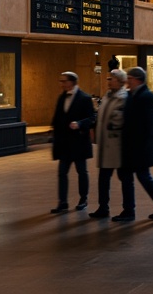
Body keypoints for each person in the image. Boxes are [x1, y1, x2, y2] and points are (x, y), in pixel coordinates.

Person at [118, 67, 153, 221]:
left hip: (140, 146)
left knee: (144, 177)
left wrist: (140, 143)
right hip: (130, 146)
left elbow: (148, 124)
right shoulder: (131, 95)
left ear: (136, 79)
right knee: (127, 177)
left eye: (129, 78)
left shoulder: (147, 97)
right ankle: (128, 210)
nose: (127, 81)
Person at [49, 71, 95, 214]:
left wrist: (80, 123)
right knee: (62, 172)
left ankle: (83, 199)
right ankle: (62, 202)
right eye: (60, 81)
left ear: (72, 82)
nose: (61, 84)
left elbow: (92, 118)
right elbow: (58, 117)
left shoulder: (85, 98)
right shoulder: (61, 98)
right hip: (64, 142)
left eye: (64, 81)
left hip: (78, 141)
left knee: (82, 171)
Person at [89, 69, 127, 219]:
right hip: (106, 145)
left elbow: (119, 121)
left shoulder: (123, 98)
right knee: (103, 179)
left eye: (111, 79)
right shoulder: (108, 96)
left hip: (117, 146)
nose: (108, 81)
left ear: (119, 81)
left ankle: (128, 209)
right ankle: (103, 207)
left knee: (124, 179)